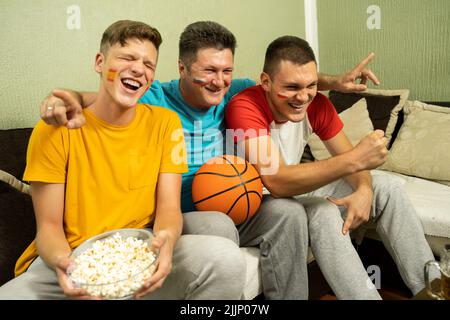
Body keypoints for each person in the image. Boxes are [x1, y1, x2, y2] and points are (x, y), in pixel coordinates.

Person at [38, 21, 380, 299]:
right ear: (182, 69)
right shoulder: (153, 97)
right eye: (209, 71)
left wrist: (333, 81)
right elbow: (110, 96)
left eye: (226, 70)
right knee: (217, 226)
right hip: (180, 210)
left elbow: (281, 82)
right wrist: (69, 96)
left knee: (289, 212)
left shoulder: (231, 90)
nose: (219, 81)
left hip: (232, 196)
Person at [0, 20, 247, 300]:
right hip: (72, 259)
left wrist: (165, 243)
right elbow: (49, 228)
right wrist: (67, 266)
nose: (139, 69)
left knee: (226, 259)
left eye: (148, 64)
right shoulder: (55, 129)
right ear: (100, 62)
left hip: (140, 250)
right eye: (127, 58)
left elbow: (168, 208)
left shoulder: (165, 124)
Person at [225, 35, 437, 299]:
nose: (303, 97)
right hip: (262, 201)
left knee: (388, 186)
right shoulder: (245, 106)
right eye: (292, 87)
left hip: (294, 190)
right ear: (265, 82)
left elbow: (353, 162)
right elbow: (277, 181)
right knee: (324, 211)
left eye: (311, 85)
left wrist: (364, 190)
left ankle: (434, 290)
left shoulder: (316, 105)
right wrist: (356, 159)